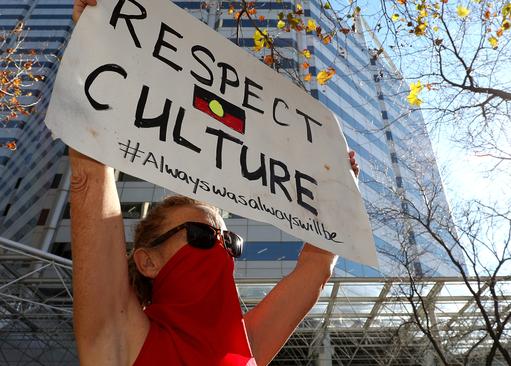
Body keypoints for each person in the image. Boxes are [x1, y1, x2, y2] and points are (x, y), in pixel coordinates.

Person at [69, 2, 361, 365]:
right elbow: (89, 178)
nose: (222, 250)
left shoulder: (247, 342)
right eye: (203, 236)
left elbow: (317, 265)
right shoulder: (118, 337)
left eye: (229, 241)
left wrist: (339, 187)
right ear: (148, 261)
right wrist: (93, 40)